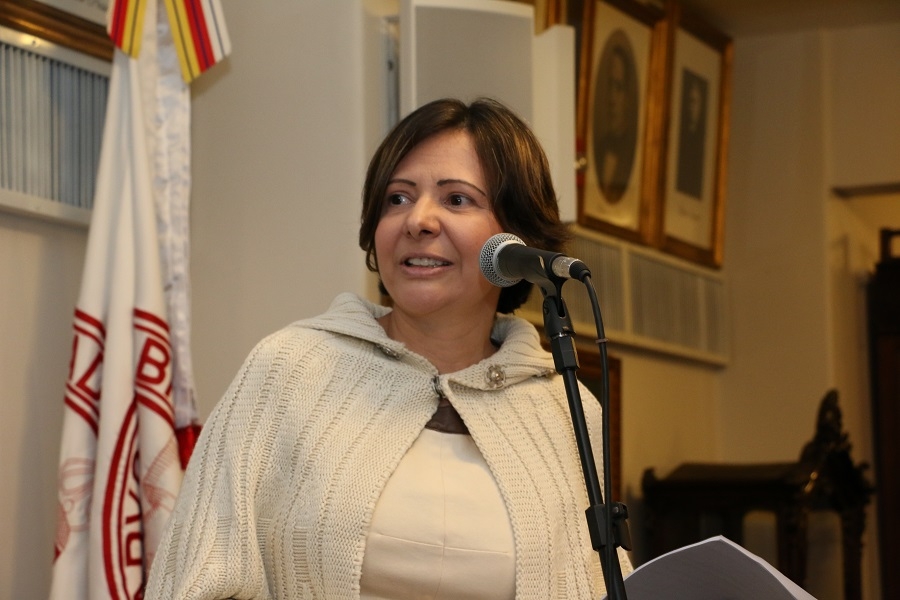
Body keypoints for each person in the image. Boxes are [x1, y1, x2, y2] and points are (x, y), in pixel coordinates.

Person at [145, 97, 632, 599]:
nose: (418, 220)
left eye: (456, 199)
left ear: (516, 242)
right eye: (397, 198)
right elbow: (195, 580)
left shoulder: (563, 409)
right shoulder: (287, 371)